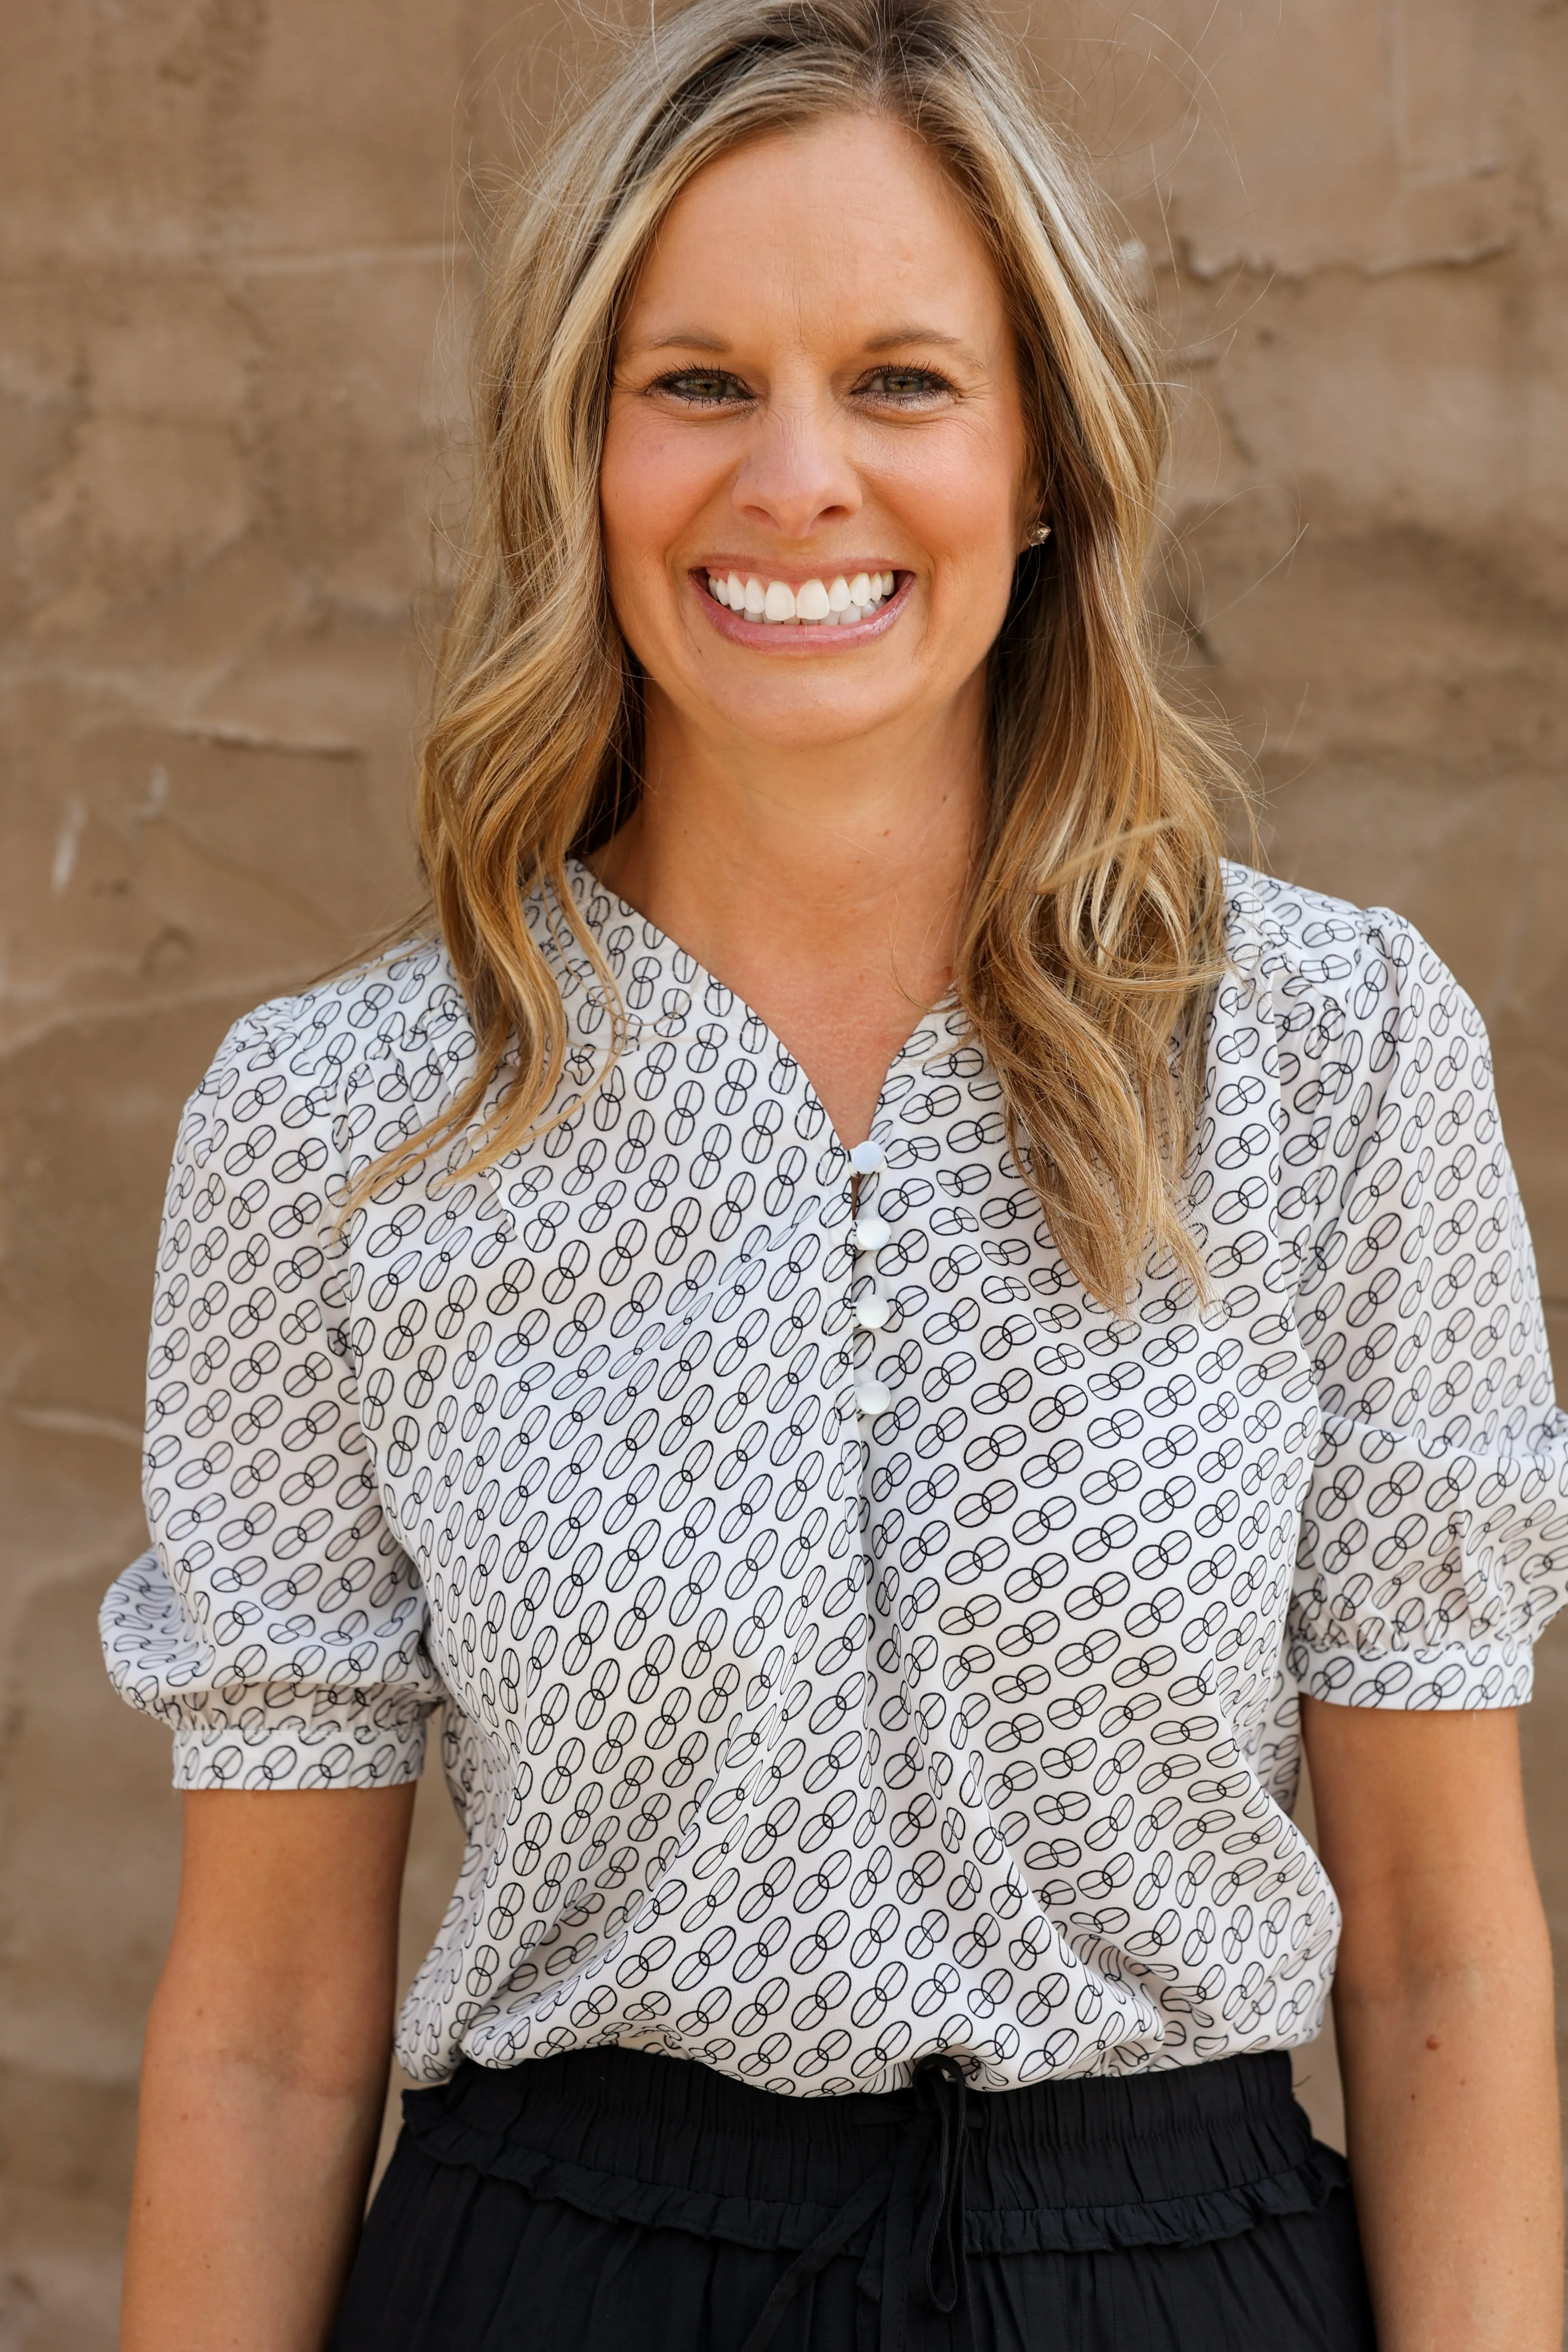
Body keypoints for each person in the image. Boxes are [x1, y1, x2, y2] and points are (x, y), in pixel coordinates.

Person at [101, 2, 1568, 2346]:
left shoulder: (1331, 1053)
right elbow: (272, 2026)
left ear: (1046, 460)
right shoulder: (342, 1124)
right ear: (576, 454)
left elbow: (1442, 1957)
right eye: (697, 384)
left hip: (1181, 2289)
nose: (800, 483)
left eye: (901, 382)